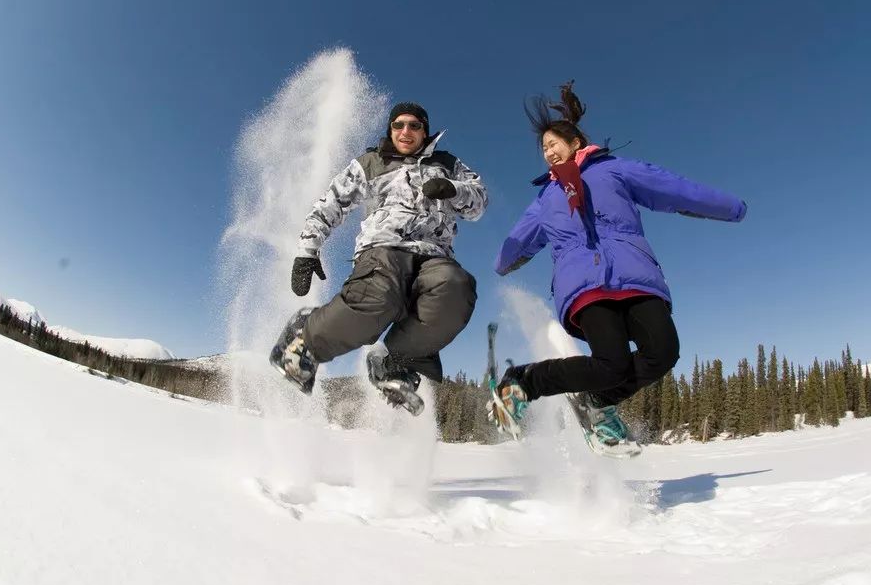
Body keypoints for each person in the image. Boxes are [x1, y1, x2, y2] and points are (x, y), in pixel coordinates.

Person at [490, 81, 746, 451]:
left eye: (553, 144)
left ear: (575, 142)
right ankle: (522, 382)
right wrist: (503, 262)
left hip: (636, 277)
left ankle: (596, 403)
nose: (547, 152)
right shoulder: (546, 197)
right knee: (611, 364)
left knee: (662, 353)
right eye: (542, 148)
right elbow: (519, 240)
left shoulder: (615, 170)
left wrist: (730, 207)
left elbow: (674, 188)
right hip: (584, 285)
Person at [271, 102, 487, 416]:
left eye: (414, 125)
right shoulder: (372, 162)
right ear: (390, 129)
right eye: (398, 125)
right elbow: (331, 202)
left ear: (425, 131)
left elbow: (479, 201)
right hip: (384, 247)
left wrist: (453, 189)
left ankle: (393, 361)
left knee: (456, 289)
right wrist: (308, 249)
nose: (406, 131)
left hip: (434, 255)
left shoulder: (447, 163)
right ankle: (307, 337)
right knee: (378, 298)